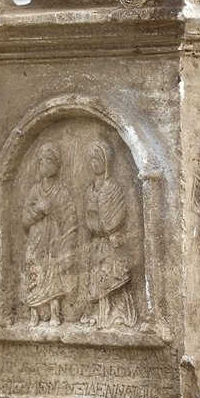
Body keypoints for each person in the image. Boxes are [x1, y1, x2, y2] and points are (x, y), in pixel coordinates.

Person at [81, 141, 136, 328]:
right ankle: (98, 315)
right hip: (97, 242)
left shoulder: (113, 188)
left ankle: (117, 314)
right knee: (97, 279)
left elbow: (119, 213)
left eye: (98, 158)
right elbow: (87, 216)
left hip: (111, 241)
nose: (94, 162)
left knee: (113, 278)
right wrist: (93, 226)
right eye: (92, 158)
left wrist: (108, 228)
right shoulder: (89, 190)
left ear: (107, 161)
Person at [21, 143, 77, 326]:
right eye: (42, 161)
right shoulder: (34, 191)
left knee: (53, 276)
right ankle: (34, 315)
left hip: (54, 242)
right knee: (35, 275)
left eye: (49, 161)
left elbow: (71, 221)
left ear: (57, 165)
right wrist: (39, 209)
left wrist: (67, 249)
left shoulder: (62, 192)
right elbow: (25, 220)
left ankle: (55, 314)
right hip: (36, 242)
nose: (45, 164)